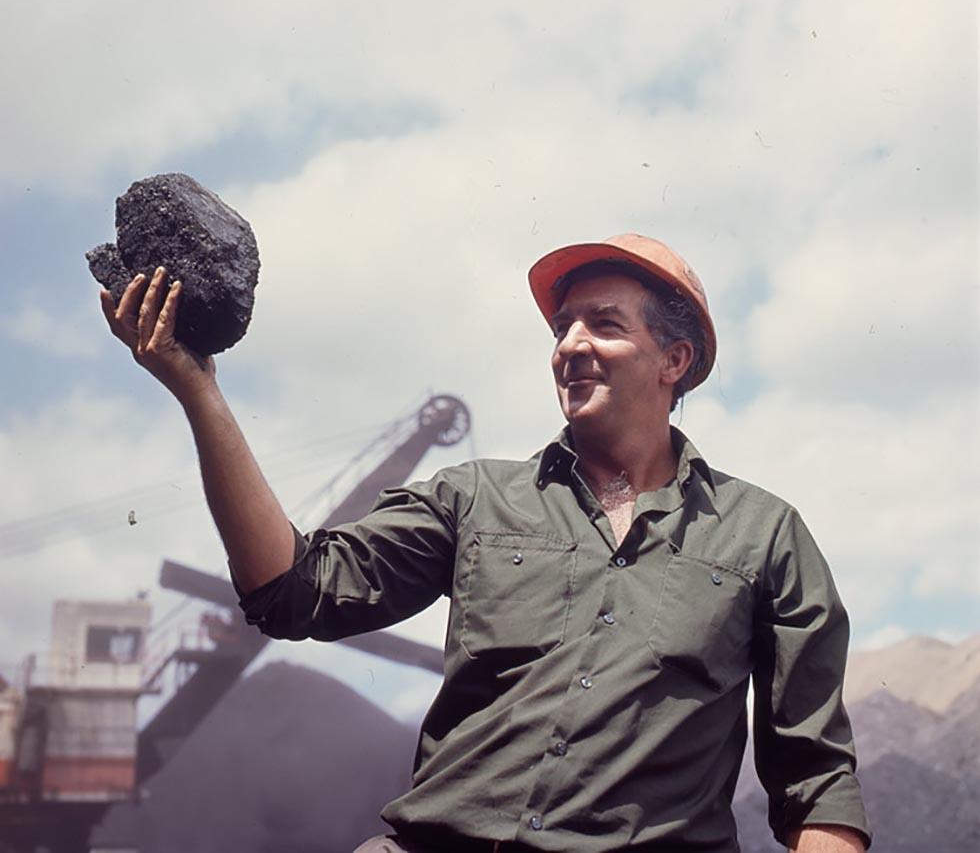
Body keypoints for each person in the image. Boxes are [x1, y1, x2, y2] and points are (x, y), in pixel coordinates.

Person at [100, 233, 871, 852]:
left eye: (603, 323)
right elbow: (291, 588)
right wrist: (197, 388)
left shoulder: (764, 535)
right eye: (563, 325)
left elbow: (816, 783)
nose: (570, 344)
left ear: (675, 360)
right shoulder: (475, 499)